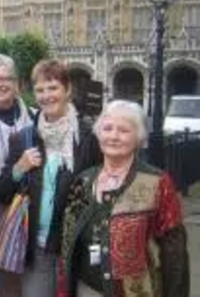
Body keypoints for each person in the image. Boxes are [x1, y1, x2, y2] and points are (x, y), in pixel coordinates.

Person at [0, 58, 102, 297]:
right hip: (38, 249)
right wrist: (19, 168)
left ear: (67, 90)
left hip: (76, 249)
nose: (46, 95)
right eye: (40, 90)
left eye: (53, 87)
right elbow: (2, 192)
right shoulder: (23, 138)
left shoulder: (89, 138)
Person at [61, 100, 189, 297]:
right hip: (85, 288)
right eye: (108, 128)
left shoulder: (158, 183)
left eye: (123, 130)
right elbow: (68, 244)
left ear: (138, 138)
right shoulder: (83, 180)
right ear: (98, 133)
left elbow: (175, 255)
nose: (113, 136)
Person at [0, 54, 34, 297]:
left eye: (5, 78)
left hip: (29, 213)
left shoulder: (35, 117)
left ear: (17, 83)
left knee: (25, 281)